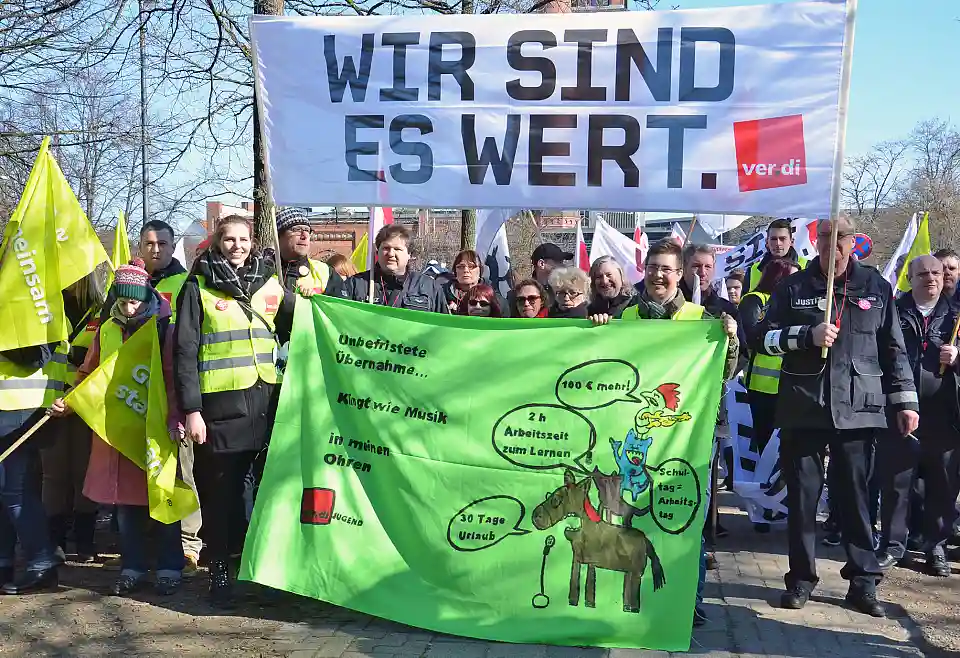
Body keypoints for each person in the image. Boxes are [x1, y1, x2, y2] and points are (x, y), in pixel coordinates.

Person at [754, 215, 918, 617]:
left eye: (840, 237)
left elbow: (893, 348)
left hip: (858, 410)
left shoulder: (876, 287)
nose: (832, 245)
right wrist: (804, 337)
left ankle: (863, 582)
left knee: (856, 499)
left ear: (853, 242)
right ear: (816, 241)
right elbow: (762, 338)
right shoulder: (793, 286)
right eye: (825, 237)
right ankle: (801, 579)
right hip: (803, 406)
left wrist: (906, 402)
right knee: (803, 499)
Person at [591, 239, 739, 628]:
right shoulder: (626, 318)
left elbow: (723, 374)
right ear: (645, 271)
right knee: (632, 518)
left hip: (687, 439)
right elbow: (605, 371)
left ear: (680, 274)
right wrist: (599, 330)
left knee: (685, 520)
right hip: (636, 440)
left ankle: (689, 601)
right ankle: (627, 595)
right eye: (653, 267)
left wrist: (731, 339)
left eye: (667, 269)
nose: (659, 274)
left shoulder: (701, 317)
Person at [173, 215, 296, 605]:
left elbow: (308, 322)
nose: (238, 246)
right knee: (222, 495)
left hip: (268, 404)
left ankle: (264, 572)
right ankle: (220, 570)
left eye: (244, 239)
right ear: (217, 242)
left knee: (268, 492)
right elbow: (185, 351)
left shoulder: (269, 282)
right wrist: (192, 410)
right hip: (220, 410)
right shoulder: (198, 287)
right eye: (230, 239)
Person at [51, 259, 186, 596]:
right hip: (118, 431)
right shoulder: (107, 329)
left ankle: (170, 567)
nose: (129, 305)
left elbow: (173, 377)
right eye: (123, 299)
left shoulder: (162, 328)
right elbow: (89, 372)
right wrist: (69, 402)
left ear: (146, 295)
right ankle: (134, 567)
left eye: (135, 299)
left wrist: (176, 418)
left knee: (161, 496)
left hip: (154, 427)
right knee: (126, 505)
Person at [876, 255, 960, 578]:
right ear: (909, 278)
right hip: (899, 411)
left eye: (936, 273)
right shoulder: (893, 312)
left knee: (942, 484)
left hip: (944, 415)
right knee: (896, 483)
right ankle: (893, 544)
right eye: (923, 273)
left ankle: (935, 546)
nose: (931, 279)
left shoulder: (955, 316)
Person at [41, 271, 108, 564]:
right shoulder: (44, 309)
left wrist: (78, 398)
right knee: (53, 475)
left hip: (85, 403)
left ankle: (84, 541)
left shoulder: (101, 313)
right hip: (49, 403)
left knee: (85, 472)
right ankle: (54, 540)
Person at [738, 258, 800, 533]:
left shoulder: (797, 302)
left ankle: (780, 504)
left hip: (792, 388)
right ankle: (762, 507)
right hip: (762, 390)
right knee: (763, 452)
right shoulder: (756, 300)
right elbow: (754, 337)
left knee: (788, 453)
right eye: (793, 278)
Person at [340, 225, 448, 313]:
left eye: (397, 249)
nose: (391, 254)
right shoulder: (356, 284)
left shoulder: (430, 287)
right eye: (386, 248)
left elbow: (444, 329)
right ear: (377, 252)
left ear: (409, 254)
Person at [275, 207, 343, 296]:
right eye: (297, 230)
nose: (305, 236)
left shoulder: (325, 273)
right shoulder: (263, 271)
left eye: (307, 231)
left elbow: (340, 307)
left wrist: (319, 299)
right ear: (278, 236)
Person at [744, 219, 809, 292]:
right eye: (773, 239)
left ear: (792, 242)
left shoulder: (808, 267)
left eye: (782, 239)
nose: (778, 243)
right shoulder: (753, 270)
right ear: (767, 242)